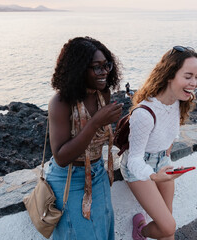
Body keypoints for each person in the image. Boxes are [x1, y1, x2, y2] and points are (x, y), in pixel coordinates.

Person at [46, 36, 123, 240]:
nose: (105, 71)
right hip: (70, 178)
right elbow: (61, 157)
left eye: (106, 65)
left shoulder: (102, 93)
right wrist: (96, 122)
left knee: (104, 231)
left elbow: (99, 138)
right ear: (79, 69)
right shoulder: (61, 103)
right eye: (96, 67)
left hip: (98, 173)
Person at [120, 46, 197, 240]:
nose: (194, 83)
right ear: (169, 75)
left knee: (168, 226)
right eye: (188, 76)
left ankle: (143, 230)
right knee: (168, 226)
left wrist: (165, 161)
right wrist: (155, 177)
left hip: (161, 163)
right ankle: (142, 231)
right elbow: (134, 160)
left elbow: (169, 137)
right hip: (139, 168)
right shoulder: (144, 114)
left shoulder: (177, 102)